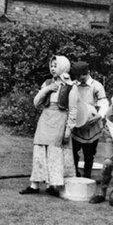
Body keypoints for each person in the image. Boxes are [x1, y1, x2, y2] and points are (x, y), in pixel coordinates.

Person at [19, 55, 78, 197]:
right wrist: (48, 89)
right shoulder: (47, 83)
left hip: (59, 119)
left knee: (54, 152)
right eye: (51, 65)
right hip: (45, 119)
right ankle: (34, 185)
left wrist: (68, 130)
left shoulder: (71, 87)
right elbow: (36, 102)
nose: (52, 68)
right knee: (39, 149)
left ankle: (54, 185)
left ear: (63, 67)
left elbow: (73, 111)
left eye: (55, 65)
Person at [69, 61, 109, 179]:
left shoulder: (96, 86)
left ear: (88, 73)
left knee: (89, 154)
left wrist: (99, 116)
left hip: (92, 124)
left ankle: (87, 177)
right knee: (74, 152)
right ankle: (75, 174)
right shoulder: (74, 85)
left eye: (81, 76)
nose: (78, 78)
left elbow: (104, 102)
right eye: (76, 76)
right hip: (77, 124)